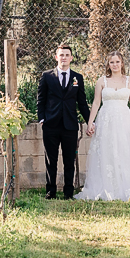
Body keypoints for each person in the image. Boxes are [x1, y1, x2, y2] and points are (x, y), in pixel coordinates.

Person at [76, 51, 130, 201]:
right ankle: (107, 186)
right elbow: (96, 103)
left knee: (125, 150)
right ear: (108, 65)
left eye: (117, 62)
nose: (115, 65)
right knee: (107, 151)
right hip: (106, 120)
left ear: (122, 63)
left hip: (124, 120)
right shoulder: (102, 81)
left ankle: (127, 186)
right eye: (112, 62)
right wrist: (90, 122)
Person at [37, 43, 90, 200]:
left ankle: (68, 192)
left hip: (70, 125)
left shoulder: (77, 78)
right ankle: (50, 191)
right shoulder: (47, 76)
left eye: (67, 55)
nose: (64, 57)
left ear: (71, 58)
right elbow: (41, 99)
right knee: (50, 160)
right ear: (56, 57)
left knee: (69, 160)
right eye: (61, 55)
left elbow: (82, 103)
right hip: (50, 125)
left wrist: (90, 122)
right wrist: (41, 118)